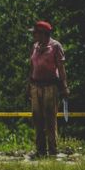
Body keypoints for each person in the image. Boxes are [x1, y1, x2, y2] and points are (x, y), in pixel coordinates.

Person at [27, 20, 68, 158]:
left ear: (43, 34)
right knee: (37, 119)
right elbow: (32, 67)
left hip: (50, 86)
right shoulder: (35, 47)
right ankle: (40, 150)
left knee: (50, 119)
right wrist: (29, 85)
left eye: (35, 33)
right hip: (36, 86)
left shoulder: (56, 46)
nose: (33, 35)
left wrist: (64, 87)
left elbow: (61, 68)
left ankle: (53, 150)